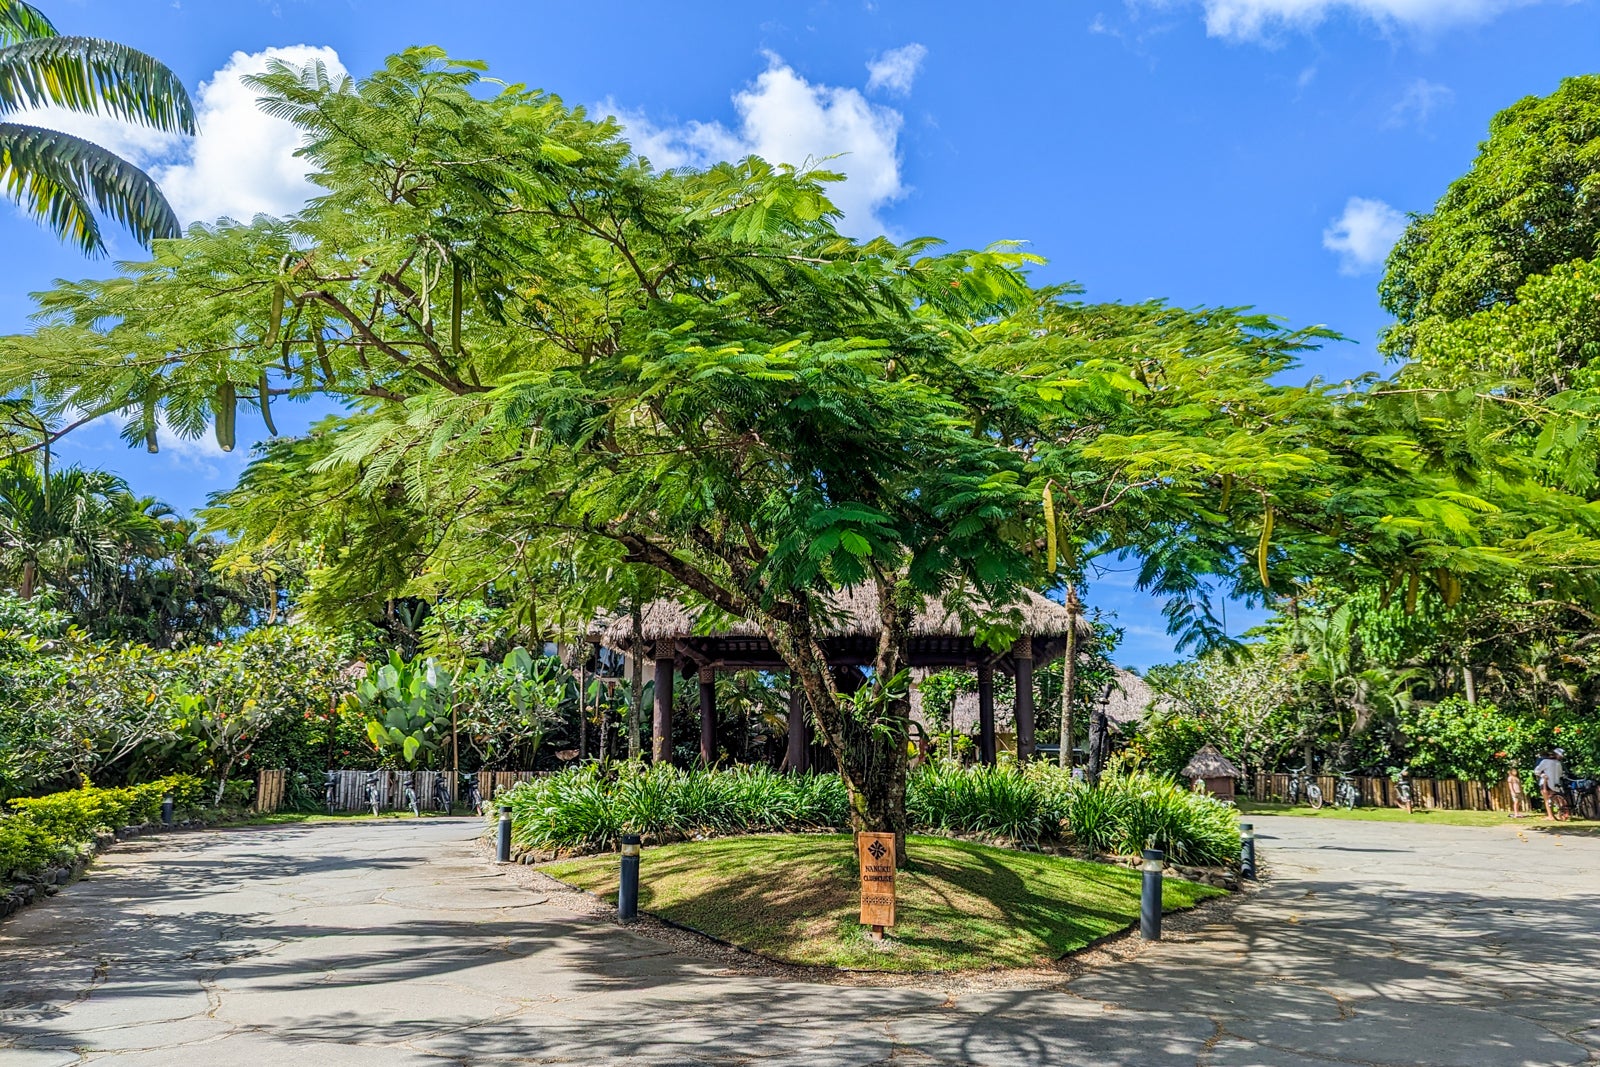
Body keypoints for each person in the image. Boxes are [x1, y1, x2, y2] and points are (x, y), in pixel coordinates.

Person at [1533, 750, 1568, 820]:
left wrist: (1542, 775)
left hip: (1545, 782)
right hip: (1555, 783)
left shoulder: (1545, 761)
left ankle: (1550, 816)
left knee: (1547, 800)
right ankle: (1561, 815)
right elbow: (1560, 774)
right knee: (1555, 799)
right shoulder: (1558, 763)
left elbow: (1537, 771)